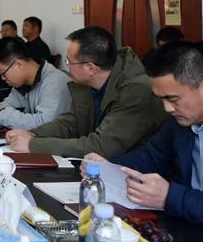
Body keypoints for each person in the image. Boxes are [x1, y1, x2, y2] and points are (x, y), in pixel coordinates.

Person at [83, 42, 203, 223]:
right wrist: (109, 167)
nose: (167, 108)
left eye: (173, 98)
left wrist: (170, 197)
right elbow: (151, 157)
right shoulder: (180, 123)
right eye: (162, 99)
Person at [6, 26, 166, 158]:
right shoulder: (87, 83)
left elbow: (100, 146)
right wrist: (31, 134)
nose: (66, 67)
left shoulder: (136, 90)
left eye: (69, 62)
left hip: (136, 172)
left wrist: (33, 144)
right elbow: (69, 124)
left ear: (90, 68)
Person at [0, 37, 71, 130]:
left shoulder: (55, 82)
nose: (3, 78)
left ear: (19, 65)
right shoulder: (22, 83)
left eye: (3, 73)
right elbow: (8, 106)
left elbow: (45, 125)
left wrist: (1, 114)